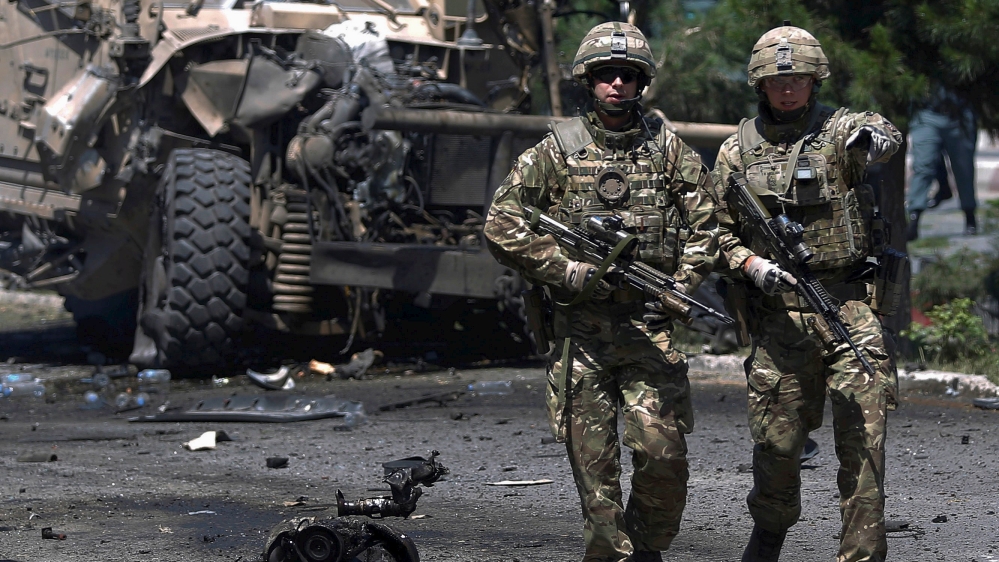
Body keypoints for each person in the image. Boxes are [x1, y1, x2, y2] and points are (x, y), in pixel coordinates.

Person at [483, 21, 719, 562]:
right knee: (596, 476)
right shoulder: (556, 150)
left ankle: (648, 549)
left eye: (627, 76)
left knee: (663, 458)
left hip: (647, 330)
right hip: (580, 335)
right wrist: (566, 271)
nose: (616, 85)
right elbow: (502, 223)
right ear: (588, 81)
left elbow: (708, 225)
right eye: (606, 75)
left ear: (642, 83)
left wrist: (678, 287)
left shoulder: (668, 150)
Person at [708, 24, 903, 562]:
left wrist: (874, 139)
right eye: (777, 80)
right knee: (777, 445)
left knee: (864, 440)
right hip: (780, 318)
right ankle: (769, 533)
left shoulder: (840, 133)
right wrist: (750, 263)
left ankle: (862, 553)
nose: (788, 88)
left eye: (798, 78)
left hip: (848, 308)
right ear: (760, 85)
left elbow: (880, 131)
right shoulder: (735, 151)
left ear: (815, 81)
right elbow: (712, 230)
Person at [906, 87, 979, 239]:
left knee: (963, 168)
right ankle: (914, 216)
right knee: (923, 165)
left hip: (959, 112)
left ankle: (969, 214)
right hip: (927, 113)